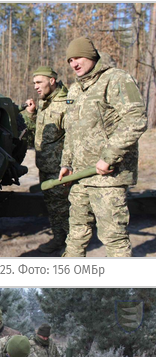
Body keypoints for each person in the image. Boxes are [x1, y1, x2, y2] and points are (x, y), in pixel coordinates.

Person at [59, 37, 147, 257]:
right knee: (75, 236)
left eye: (78, 58)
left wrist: (108, 157)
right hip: (79, 176)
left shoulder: (116, 79)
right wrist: (66, 164)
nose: (74, 64)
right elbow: (71, 131)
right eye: (70, 60)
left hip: (107, 176)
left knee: (113, 238)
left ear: (91, 55)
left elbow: (136, 119)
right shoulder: (75, 90)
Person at [21, 67, 70, 254]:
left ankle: (71, 246)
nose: (36, 87)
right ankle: (60, 240)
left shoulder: (66, 103)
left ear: (52, 80)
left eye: (39, 82)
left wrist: (68, 165)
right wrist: (32, 114)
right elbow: (37, 134)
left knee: (65, 208)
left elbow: (74, 137)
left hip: (61, 169)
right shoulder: (44, 103)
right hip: (46, 167)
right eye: (34, 83)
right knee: (54, 208)